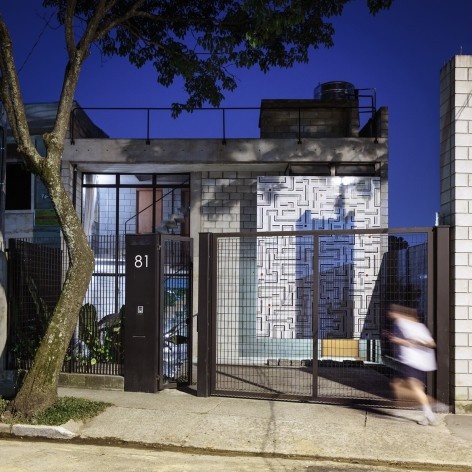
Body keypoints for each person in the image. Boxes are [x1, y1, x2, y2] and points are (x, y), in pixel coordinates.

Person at [387, 304, 438, 426]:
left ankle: (431, 407)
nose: (390, 314)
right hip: (412, 362)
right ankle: (427, 413)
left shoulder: (411, 325)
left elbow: (431, 343)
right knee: (402, 385)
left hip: (414, 362)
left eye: (391, 312)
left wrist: (406, 341)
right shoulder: (406, 325)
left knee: (408, 387)